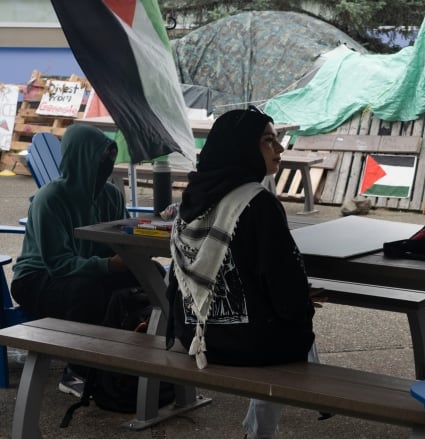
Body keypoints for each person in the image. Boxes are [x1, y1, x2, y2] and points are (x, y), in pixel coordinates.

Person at [167, 106, 316, 439]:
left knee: (293, 313)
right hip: (248, 346)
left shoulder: (192, 198)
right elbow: (286, 290)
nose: (279, 149)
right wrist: (302, 305)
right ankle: (261, 432)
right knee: (297, 319)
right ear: (242, 147)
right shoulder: (257, 202)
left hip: (195, 337)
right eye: (268, 141)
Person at [10, 124, 140, 397]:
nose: (105, 163)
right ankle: (77, 371)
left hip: (88, 270)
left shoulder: (111, 195)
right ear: (80, 157)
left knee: (149, 277)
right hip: (37, 276)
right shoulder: (51, 199)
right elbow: (57, 263)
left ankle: (135, 361)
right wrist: (108, 265)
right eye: (99, 157)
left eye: (109, 156)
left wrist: (134, 256)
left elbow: (122, 240)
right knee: (86, 290)